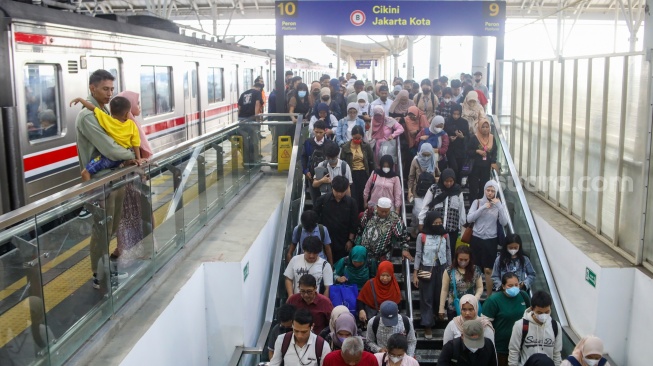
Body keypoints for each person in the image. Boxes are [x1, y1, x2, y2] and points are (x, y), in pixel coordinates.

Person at [75, 70, 137, 290]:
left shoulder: (102, 110)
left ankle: (105, 273)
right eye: (105, 89)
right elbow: (108, 146)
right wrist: (135, 157)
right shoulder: (88, 116)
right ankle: (99, 276)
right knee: (102, 230)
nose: (110, 93)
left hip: (113, 177)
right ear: (92, 88)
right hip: (100, 181)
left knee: (110, 228)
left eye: (112, 89)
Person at [113, 90, 153, 261]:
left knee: (130, 214)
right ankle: (136, 248)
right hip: (132, 176)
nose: (139, 106)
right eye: (137, 103)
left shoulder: (127, 122)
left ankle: (131, 248)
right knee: (137, 213)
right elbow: (140, 148)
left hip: (130, 175)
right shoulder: (130, 124)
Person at [70, 96, 143, 181]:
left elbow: (93, 108)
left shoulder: (107, 120)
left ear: (111, 112)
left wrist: (80, 100)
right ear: (127, 114)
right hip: (124, 157)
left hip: (109, 159)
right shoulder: (132, 125)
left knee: (85, 172)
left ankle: (89, 193)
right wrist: (138, 159)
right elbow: (136, 143)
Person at [467, 180, 509, 296]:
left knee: (488, 269)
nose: (490, 193)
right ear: (484, 190)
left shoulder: (498, 205)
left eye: (492, 191)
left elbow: (504, 222)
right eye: (488, 190)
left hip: (491, 239)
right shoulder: (478, 202)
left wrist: (499, 206)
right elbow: (469, 219)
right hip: (476, 238)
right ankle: (474, 294)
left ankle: (489, 296)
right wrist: (483, 208)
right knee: (475, 268)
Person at [413, 211, 451, 339]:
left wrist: (450, 269)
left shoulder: (445, 235)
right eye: (435, 223)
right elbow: (418, 254)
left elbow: (448, 251)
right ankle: (427, 324)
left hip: (442, 268)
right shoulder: (422, 236)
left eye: (440, 223)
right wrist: (415, 273)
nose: (438, 225)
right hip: (427, 268)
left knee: (439, 294)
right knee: (427, 297)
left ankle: (436, 314)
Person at [482, 273, 532, 366]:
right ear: (503, 286)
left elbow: (530, 315)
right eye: (510, 285)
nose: (514, 287)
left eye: (516, 285)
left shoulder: (523, 296)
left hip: (522, 346)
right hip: (501, 348)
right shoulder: (494, 300)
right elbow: (485, 324)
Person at [419, 168, 466, 254]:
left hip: (451, 229)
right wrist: (421, 221)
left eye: (451, 181)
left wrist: (462, 227)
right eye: (446, 181)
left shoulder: (458, 191)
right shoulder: (434, 189)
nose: (448, 183)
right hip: (435, 227)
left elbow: (461, 209)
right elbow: (425, 206)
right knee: (434, 252)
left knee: (449, 252)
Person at [508, 291, 562, 366]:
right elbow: (514, 351)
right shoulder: (520, 325)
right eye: (539, 312)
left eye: (547, 312)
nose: (543, 315)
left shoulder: (555, 326)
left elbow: (556, 353)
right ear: (532, 309)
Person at [314, 176, 359, 264]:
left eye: (342, 192)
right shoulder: (323, 200)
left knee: (341, 263)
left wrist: (350, 240)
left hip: (343, 240)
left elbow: (354, 222)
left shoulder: (351, 203)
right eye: (337, 191)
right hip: (325, 239)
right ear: (332, 188)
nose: (339, 194)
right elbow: (315, 217)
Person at [357, 198, 411, 262]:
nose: (384, 214)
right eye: (382, 211)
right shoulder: (369, 213)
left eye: (386, 211)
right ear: (377, 207)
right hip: (364, 253)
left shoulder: (395, 219)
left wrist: (405, 249)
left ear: (390, 208)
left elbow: (404, 235)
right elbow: (360, 229)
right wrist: (357, 245)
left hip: (383, 255)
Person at [438, 245, 484, 320]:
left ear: (470, 259)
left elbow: (480, 287)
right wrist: (441, 308)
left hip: (470, 307)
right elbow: (444, 290)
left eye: (466, 260)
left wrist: (475, 298)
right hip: (454, 307)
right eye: (461, 259)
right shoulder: (449, 271)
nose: (463, 262)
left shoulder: (475, 270)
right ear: (456, 258)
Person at [340, 126, 375, 213]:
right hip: (351, 174)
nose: (357, 140)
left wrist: (373, 174)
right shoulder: (345, 147)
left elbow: (371, 161)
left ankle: (363, 216)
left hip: (363, 174)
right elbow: (342, 162)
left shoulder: (366, 147)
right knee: (353, 196)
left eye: (359, 138)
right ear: (352, 136)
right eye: (355, 138)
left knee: (363, 195)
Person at [302, 120, 338, 204]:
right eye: (316, 132)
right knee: (315, 201)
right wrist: (305, 171)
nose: (318, 134)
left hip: (327, 176)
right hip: (312, 177)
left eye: (320, 132)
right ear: (313, 130)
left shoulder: (330, 144)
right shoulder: (308, 143)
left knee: (328, 201)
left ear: (325, 131)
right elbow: (304, 157)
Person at [408, 143, 438, 235]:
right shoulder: (415, 161)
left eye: (428, 155)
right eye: (424, 155)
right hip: (418, 190)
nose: (425, 157)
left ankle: (424, 230)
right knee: (418, 210)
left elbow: (438, 174)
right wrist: (409, 191)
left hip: (430, 191)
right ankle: (415, 226)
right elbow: (411, 177)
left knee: (427, 212)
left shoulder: (433, 160)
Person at [467, 119, 498, 200]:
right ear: (479, 128)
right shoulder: (474, 138)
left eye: (487, 127)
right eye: (483, 127)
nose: (485, 129)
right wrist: (477, 151)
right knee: (473, 188)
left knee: (484, 187)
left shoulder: (492, 138)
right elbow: (468, 151)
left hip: (486, 167)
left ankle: (482, 206)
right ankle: (473, 207)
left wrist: (493, 162)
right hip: (475, 167)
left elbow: (494, 151)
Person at [237, 80, 264, 165]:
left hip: (242, 120)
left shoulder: (243, 93)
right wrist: (256, 118)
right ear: (259, 88)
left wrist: (238, 121)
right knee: (254, 141)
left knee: (245, 142)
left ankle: (246, 162)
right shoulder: (257, 93)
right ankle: (255, 161)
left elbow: (239, 108)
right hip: (251, 120)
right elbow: (257, 104)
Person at [443, 104, 469, 183]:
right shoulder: (447, 121)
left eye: (458, 114)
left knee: (461, 168)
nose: (456, 116)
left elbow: (468, 137)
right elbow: (443, 134)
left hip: (461, 150)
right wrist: (449, 138)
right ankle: (453, 183)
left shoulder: (464, 122)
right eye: (454, 114)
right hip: (451, 149)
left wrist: (462, 137)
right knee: (454, 167)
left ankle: (458, 185)